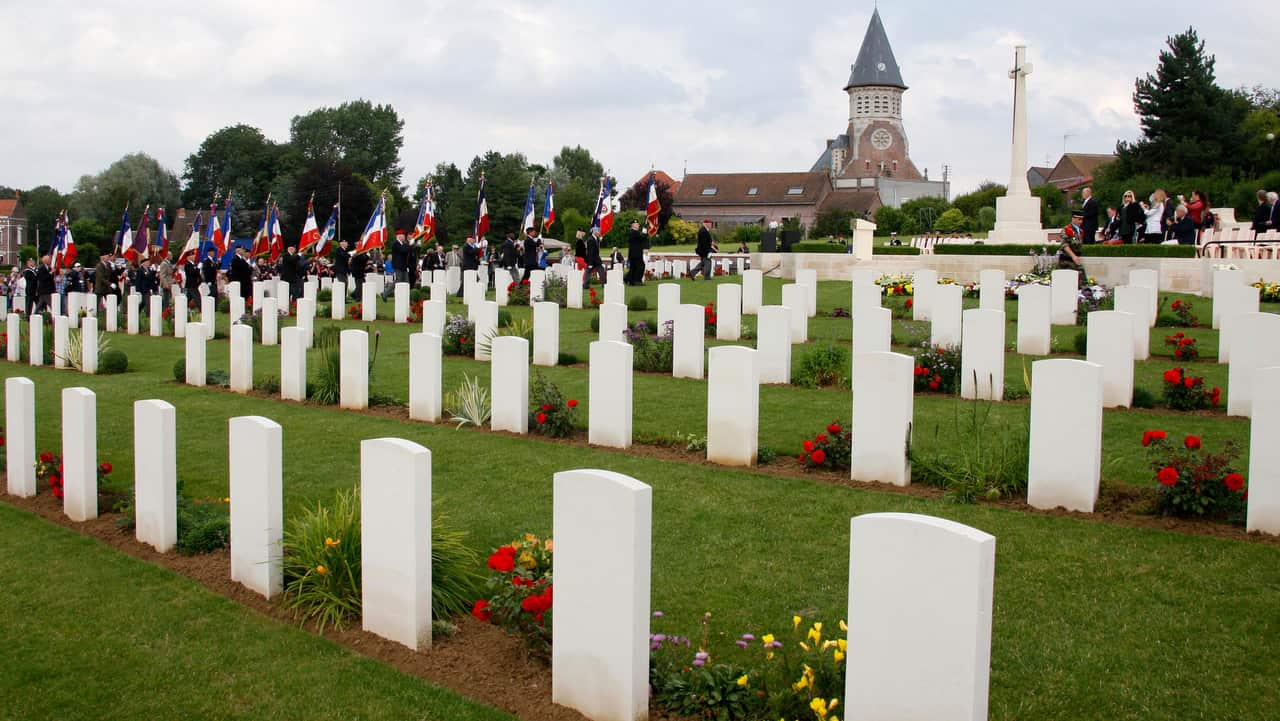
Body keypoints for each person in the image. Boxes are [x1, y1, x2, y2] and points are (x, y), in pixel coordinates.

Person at [1057, 213, 1085, 277]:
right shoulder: (1067, 229)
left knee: (1080, 279)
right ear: (1073, 218)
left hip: (1076, 260)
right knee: (1069, 280)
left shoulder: (1080, 231)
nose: (1081, 222)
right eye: (1079, 219)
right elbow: (1064, 245)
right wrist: (1073, 256)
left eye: (1082, 219)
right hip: (1066, 260)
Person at [627, 220, 648, 285]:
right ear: (633, 225)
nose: (638, 225)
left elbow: (640, 240)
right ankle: (637, 281)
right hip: (636, 254)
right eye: (637, 224)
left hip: (633, 254)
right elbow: (642, 238)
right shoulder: (634, 232)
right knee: (641, 266)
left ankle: (630, 281)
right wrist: (644, 232)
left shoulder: (633, 232)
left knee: (633, 268)